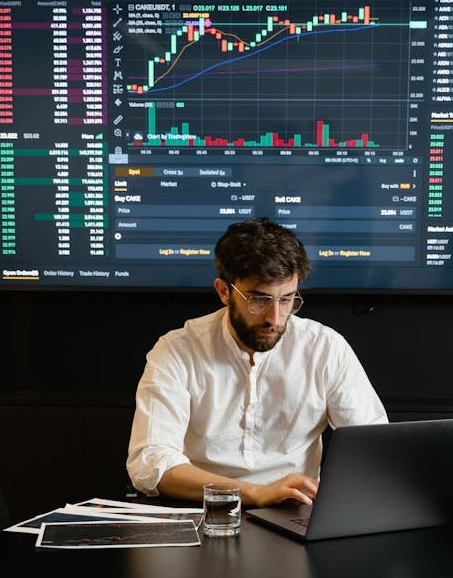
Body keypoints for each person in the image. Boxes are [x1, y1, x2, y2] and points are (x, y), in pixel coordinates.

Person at [126, 217, 387, 506]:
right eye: (259, 300)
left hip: (297, 512)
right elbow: (150, 464)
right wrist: (253, 493)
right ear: (224, 291)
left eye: (287, 299)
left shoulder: (325, 348)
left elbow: (373, 448)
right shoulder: (177, 350)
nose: (275, 318)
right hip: (203, 511)